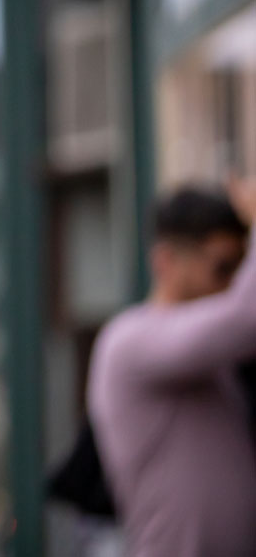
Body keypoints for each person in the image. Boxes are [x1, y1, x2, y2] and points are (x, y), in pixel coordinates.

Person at [87, 183, 256, 556]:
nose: (233, 284)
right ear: (165, 261)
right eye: (224, 268)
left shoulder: (216, 357)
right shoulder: (129, 340)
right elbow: (247, 317)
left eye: (242, 269)